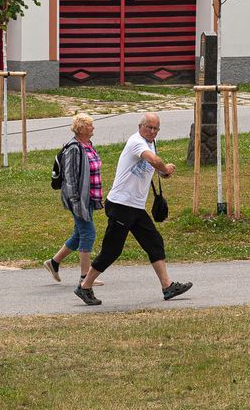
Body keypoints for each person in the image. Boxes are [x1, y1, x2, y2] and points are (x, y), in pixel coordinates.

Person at [77, 111, 191, 306]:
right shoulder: (136, 141)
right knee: (112, 250)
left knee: (154, 242)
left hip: (135, 207)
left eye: (156, 129)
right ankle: (85, 286)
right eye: (149, 127)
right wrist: (165, 168)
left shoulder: (150, 143)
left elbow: (149, 165)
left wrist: (161, 173)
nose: (152, 131)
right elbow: (154, 161)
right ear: (140, 127)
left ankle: (167, 286)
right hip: (121, 205)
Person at [45, 114, 102, 283]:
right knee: (88, 234)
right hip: (79, 200)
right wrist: (76, 202)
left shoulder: (88, 145)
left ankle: (53, 263)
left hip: (89, 197)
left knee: (79, 234)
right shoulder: (74, 149)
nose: (93, 128)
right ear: (82, 129)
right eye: (91, 125)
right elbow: (70, 178)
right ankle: (85, 277)